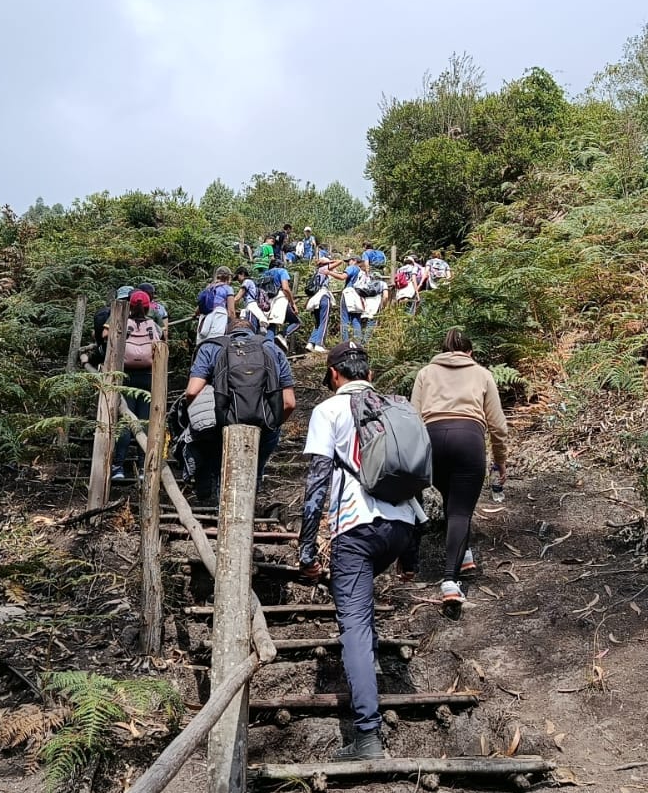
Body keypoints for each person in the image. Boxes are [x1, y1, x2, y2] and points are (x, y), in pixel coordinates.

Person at [297, 342, 425, 760]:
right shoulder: (393, 407)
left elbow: (317, 483)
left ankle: (367, 736)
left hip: (356, 529)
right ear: (368, 373)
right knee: (363, 610)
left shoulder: (328, 411)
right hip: (403, 526)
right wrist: (411, 558)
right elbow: (411, 478)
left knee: (354, 625)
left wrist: (307, 552)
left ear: (334, 374)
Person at [411, 328, 508, 613]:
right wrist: (500, 460)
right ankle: (450, 582)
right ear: (470, 352)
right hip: (469, 439)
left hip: (432, 440)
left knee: (450, 498)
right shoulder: (482, 374)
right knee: (460, 511)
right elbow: (498, 426)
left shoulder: (425, 373)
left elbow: (413, 417)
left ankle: (464, 553)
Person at [181, 318, 297, 501]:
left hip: (224, 422)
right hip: (264, 424)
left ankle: (216, 503)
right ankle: (254, 491)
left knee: (219, 461)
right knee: (258, 461)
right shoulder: (272, 348)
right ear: (255, 331)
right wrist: (272, 425)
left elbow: (192, 392)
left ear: (227, 331)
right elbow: (289, 403)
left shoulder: (211, 347)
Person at [108, 291, 164, 483]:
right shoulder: (153, 325)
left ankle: (118, 467)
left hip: (126, 376)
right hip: (149, 376)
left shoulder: (124, 324)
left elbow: (111, 342)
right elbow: (161, 341)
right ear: (148, 307)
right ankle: (143, 466)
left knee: (125, 420)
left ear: (129, 306)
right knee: (145, 420)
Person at [305, 257, 347, 353]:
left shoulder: (317, 271)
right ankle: (319, 344)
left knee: (318, 323)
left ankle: (311, 343)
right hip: (323, 296)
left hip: (315, 298)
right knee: (324, 321)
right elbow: (339, 261)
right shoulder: (324, 268)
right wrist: (328, 261)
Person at [196, 267, 235, 343]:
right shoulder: (228, 288)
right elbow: (231, 311)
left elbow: (199, 308)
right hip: (219, 316)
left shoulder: (209, 287)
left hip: (204, 318)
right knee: (215, 344)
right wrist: (234, 326)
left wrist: (195, 315)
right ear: (228, 278)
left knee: (201, 345)